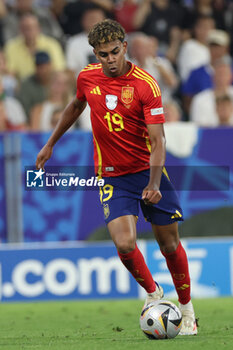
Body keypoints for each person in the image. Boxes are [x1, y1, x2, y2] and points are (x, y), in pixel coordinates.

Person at [36, 19, 197, 336]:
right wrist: (50, 143)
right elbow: (75, 105)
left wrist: (153, 184)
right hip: (112, 176)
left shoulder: (145, 85)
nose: (108, 59)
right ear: (94, 53)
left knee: (169, 243)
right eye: (101, 54)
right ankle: (153, 293)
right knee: (124, 244)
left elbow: (159, 141)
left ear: (124, 47)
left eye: (113, 52)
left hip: (148, 172)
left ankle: (188, 309)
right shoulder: (86, 77)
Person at [4, 13, 65, 81]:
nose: (29, 31)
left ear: (39, 28)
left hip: (47, 84)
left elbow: (59, 70)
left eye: (32, 27)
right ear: (20, 30)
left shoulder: (52, 44)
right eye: (25, 28)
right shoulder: (11, 46)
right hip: (21, 86)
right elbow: (10, 73)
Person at [17, 51, 52, 120]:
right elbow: (25, 110)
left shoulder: (57, 81)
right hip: (35, 121)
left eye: (45, 66)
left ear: (50, 65)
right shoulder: (26, 85)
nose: (43, 70)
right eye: (39, 66)